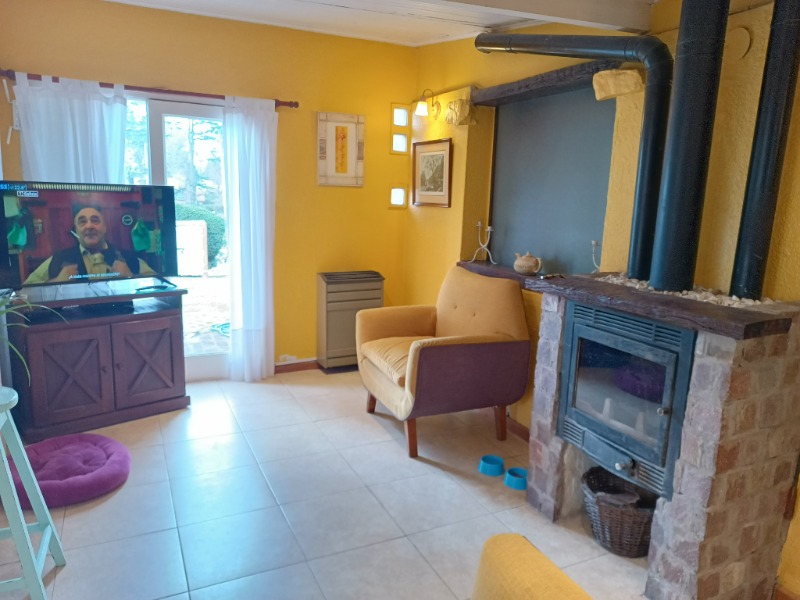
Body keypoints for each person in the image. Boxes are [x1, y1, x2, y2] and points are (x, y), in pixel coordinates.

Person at [23, 206, 156, 285]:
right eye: (82, 222)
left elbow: (159, 286)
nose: (89, 226)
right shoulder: (58, 258)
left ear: (104, 228)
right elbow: (25, 293)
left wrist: (131, 277)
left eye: (95, 220)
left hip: (123, 320)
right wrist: (58, 282)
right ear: (76, 231)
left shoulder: (128, 257)